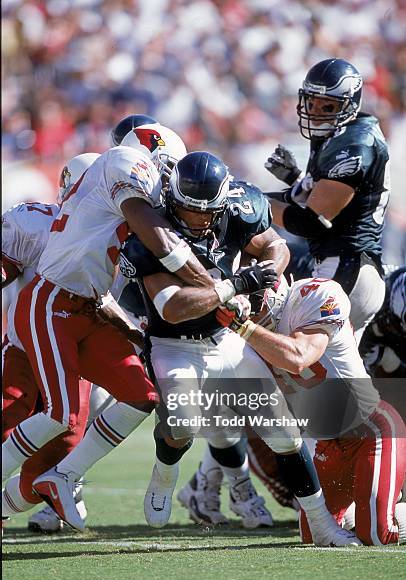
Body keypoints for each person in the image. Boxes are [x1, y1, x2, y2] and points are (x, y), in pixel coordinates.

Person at [109, 151, 359, 545]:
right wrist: (234, 286)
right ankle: (165, 471)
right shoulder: (151, 233)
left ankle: (323, 526)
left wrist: (266, 276)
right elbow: (173, 308)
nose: (196, 220)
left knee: (285, 435)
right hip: (173, 344)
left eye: (205, 212)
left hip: (228, 339)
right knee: (183, 426)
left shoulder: (238, 211)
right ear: (173, 201)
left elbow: (277, 248)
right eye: (188, 210)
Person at [2, 123, 200, 531]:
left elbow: (109, 290)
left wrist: (133, 332)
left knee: (134, 397)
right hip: (42, 316)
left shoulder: (118, 213)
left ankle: (58, 481)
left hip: (85, 314)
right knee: (54, 414)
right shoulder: (123, 171)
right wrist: (214, 285)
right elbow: (161, 242)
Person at [213, 275, 406, 545]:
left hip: (369, 430)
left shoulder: (313, 295)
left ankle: (380, 511)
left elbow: (298, 358)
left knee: (376, 534)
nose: (251, 310)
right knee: (314, 534)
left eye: (256, 301)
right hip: (328, 445)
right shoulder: (242, 337)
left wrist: (243, 328)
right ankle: (369, 507)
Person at [1, 154, 99, 531]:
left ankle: (40, 493)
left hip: (77, 355)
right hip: (26, 350)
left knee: (64, 444)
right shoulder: (36, 223)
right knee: (7, 418)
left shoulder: (119, 233)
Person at [265, 58, 389, 344]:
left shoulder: (354, 145)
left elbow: (311, 221)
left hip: (346, 267)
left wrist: (253, 203)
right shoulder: (340, 135)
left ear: (349, 104)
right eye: (313, 103)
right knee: (341, 379)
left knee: (291, 360)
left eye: (328, 106)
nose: (318, 112)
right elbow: (311, 199)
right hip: (350, 267)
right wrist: (296, 180)